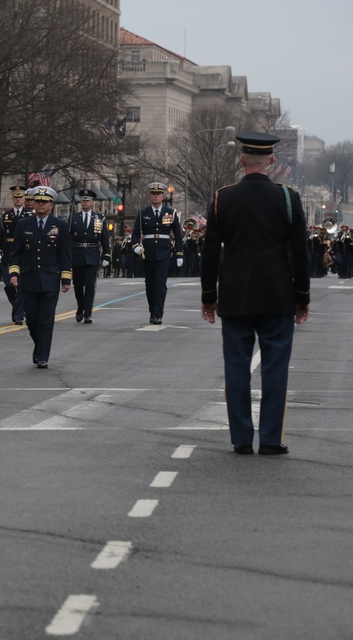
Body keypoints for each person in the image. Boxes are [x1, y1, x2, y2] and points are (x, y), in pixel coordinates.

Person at [200, 132, 311, 456]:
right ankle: (272, 439)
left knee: (236, 368)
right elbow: (301, 252)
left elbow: (209, 253)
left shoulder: (223, 198)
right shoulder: (288, 198)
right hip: (277, 296)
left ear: (242, 161)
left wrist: (209, 297)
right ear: (272, 163)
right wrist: (301, 297)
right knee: (275, 369)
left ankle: (241, 439)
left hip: (235, 296)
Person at [7, 186, 71, 367]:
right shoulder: (23, 224)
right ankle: (39, 345)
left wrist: (66, 279)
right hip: (29, 279)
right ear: (33, 203)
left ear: (51, 205)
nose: (41, 205)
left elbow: (65, 255)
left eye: (45, 202)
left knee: (46, 320)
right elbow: (16, 253)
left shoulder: (60, 225)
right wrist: (13, 273)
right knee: (32, 320)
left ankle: (43, 356)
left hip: (50, 279)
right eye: (38, 202)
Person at [132, 182, 184, 324]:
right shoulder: (143, 213)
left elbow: (178, 235)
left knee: (160, 284)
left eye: (158, 194)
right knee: (149, 284)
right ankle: (152, 310)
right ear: (150, 196)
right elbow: (135, 233)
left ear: (163, 196)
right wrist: (136, 245)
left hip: (164, 252)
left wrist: (179, 253)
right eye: (153, 194)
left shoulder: (170, 212)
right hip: (147, 252)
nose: (156, 196)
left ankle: (158, 313)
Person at [68, 189, 111, 324]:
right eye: (83, 200)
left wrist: (106, 255)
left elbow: (104, 238)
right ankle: (80, 306)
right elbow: (68, 239)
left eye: (87, 200)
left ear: (93, 202)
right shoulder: (73, 218)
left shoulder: (99, 218)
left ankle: (88, 313)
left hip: (92, 254)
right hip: (77, 254)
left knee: (90, 284)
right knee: (78, 285)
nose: (85, 202)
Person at [0, 184, 31, 325]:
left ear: (24, 198)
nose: (18, 200)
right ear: (12, 198)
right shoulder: (6, 216)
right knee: (8, 284)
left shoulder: (30, 214)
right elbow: (0, 235)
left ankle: (19, 314)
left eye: (20, 197)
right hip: (9, 252)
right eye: (15, 197)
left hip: (24, 252)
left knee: (21, 285)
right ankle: (18, 307)